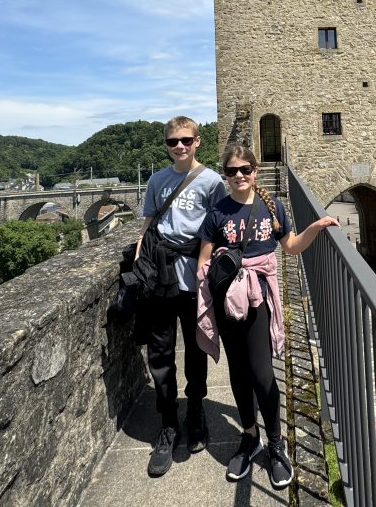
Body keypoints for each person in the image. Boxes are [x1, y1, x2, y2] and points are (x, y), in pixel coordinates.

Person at [196, 144, 338, 489]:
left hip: (260, 298)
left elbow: (289, 246)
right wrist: (211, 277)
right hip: (229, 297)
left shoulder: (271, 206)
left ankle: (275, 444)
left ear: (255, 170)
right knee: (239, 373)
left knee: (262, 373)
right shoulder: (217, 212)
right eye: (232, 171)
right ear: (225, 175)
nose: (239, 175)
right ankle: (249, 436)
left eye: (245, 169)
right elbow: (203, 258)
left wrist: (316, 227)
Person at [136, 116, 226, 477]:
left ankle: (197, 411)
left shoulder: (211, 181)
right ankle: (169, 423)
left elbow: (221, 227)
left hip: (195, 279)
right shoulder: (157, 180)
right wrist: (141, 260)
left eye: (185, 140)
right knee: (159, 354)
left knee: (196, 349)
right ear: (166, 145)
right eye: (172, 141)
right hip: (160, 277)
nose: (179, 146)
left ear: (197, 141)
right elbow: (147, 225)